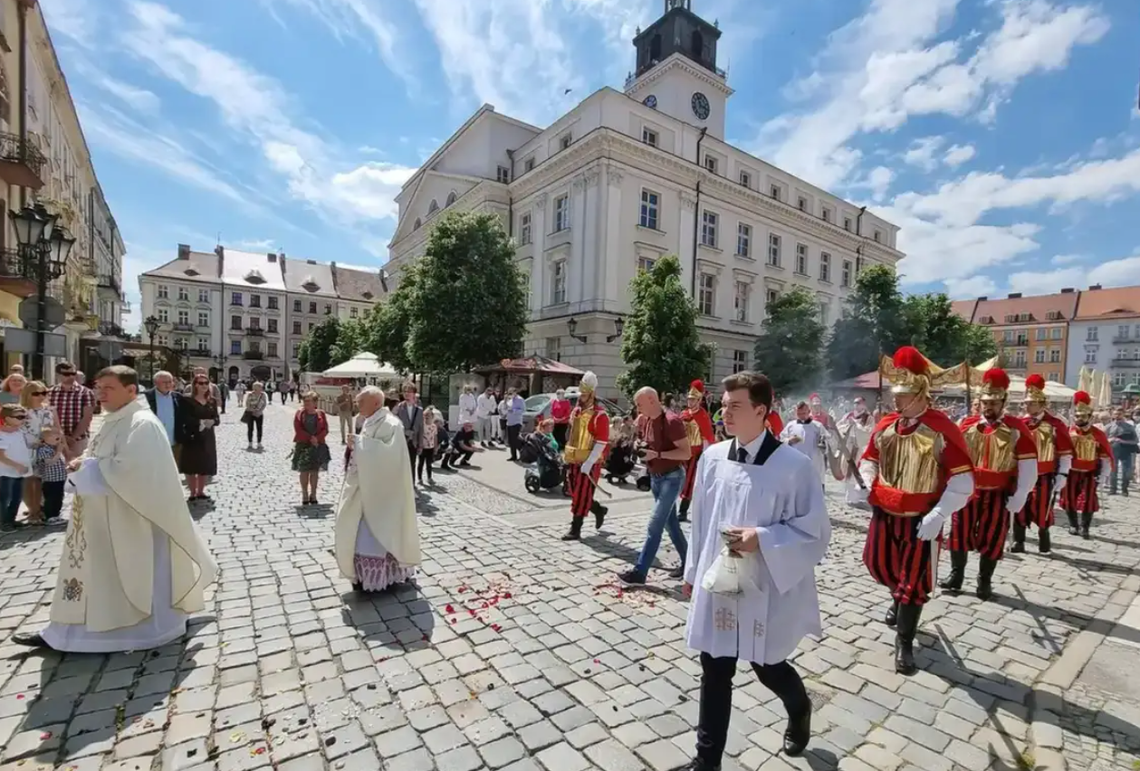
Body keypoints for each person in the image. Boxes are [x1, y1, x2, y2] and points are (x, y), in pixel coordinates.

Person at [681, 371, 830, 770]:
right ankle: (706, 761)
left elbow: (814, 531)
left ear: (761, 410)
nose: (724, 413)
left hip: (766, 584)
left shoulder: (794, 466)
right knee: (714, 668)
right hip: (720, 580)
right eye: (724, 405)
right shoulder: (713, 458)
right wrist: (692, 572)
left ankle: (799, 709)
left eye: (735, 406)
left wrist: (762, 537)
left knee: (767, 666)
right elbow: (699, 520)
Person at [11, 365, 217, 652]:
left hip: (133, 520)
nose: (100, 394)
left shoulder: (142, 423)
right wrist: (85, 464)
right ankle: (64, 631)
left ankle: (125, 632)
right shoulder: (118, 418)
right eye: (98, 387)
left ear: (131, 390)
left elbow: (133, 471)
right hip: (105, 516)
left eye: (108, 388)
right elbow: (104, 457)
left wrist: (87, 467)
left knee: (126, 574)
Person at [859, 346, 975, 675]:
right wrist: (867, 483)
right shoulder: (885, 424)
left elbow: (962, 479)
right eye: (895, 395)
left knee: (914, 582)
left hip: (920, 520)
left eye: (903, 395)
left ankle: (904, 643)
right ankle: (896, 596)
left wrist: (939, 514)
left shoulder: (941, 428)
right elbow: (870, 460)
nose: (896, 401)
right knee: (880, 565)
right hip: (884, 514)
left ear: (921, 394)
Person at [942, 368, 1037, 601]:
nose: (989, 407)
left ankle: (984, 581)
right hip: (967, 491)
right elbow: (951, 456)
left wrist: (1022, 493)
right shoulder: (966, 423)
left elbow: (1028, 463)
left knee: (993, 537)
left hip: (997, 493)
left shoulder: (1016, 429)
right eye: (985, 402)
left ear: (1003, 402)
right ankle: (956, 575)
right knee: (958, 532)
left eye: (994, 403)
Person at [335, 386, 419, 592]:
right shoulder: (370, 420)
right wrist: (356, 444)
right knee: (360, 533)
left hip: (384, 495)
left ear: (375, 403)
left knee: (375, 536)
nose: (357, 404)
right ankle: (363, 576)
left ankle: (382, 576)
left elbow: (390, 456)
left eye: (361, 401)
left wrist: (361, 444)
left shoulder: (391, 424)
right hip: (366, 489)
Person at [619, 387, 690, 585]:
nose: (637, 408)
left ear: (652, 399)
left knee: (655, 524)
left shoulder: (672, 421)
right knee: (671, 524)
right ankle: (689, 563)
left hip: (672, 477)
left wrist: (657, 455)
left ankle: (639, 573)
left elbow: (686, 453)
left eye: (639, 403)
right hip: (656, 477)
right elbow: (647, 443)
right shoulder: (647, 420)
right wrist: (639, 446)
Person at [1013, 375, 1073, 554]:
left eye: (1031, 403)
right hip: (1022, 474)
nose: (1027, 406)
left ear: (1041, 404)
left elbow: (1065, 452)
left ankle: (1043, 537)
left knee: (1042, 508)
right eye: (1026, 403)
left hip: (1044, 475)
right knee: (1020, 506)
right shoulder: (1020, 424)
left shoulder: (1055, 424)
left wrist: (1063, 474)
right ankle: (1019, 540)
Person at [561, 372, 609, 540]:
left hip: (590, 461)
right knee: (574, 492)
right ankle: (598, 509)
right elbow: (572, 433)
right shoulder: (577, 411)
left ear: (592, 394)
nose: (581, 397)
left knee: (582, 494)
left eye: (585, 394)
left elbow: (602, 442)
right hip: (574, 458)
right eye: (580, 394)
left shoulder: (600, 415)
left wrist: (589, 462)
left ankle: (576, 529)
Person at [1061, 391, 1113, 539]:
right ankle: (1073, 524)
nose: (1079, 419)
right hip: (1071, 472)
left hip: (1090, 472)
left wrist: (1103, 475)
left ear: (1090, 417)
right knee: (1069, 498)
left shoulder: (1097, 434)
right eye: (1077, 416)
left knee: (1088, 499)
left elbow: (1105, 456)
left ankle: (1085, 527)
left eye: (1083, 416)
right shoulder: (1068, 432)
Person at [179, 374, 220, 503]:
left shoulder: (211, 400)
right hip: (192, 436)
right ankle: (192, 492)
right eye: (201, 383)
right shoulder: (187, 400)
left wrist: (213, 421)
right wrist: (200, 422)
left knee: (204, 464)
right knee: (192, 464)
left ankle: (201, 491)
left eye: (206, 383)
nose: (204, 386)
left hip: (207, 436)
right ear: (195, 384)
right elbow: (184, 418)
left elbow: (217, 418)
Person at [678, 380, 715, 523]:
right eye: (689, 399)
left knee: (690, 483)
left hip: (696, 455)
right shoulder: (683, 413)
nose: (690, 401)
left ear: (699, 400)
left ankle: (683, 511)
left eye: (693, 399)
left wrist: (704, 455)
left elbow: (707, 436)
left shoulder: (702, 415)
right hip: (682, 452)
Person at [20, 380, 56, 524]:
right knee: (28, 481)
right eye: (36, 393)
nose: (41, 396)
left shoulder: (48, 410)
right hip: (25, 449)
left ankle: (39, 508)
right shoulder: (20, 411)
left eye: (44, 393)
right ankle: (32, 510)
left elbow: (55, 428)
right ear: (28, 395)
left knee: (42, 481)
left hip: (45, 448)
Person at [49, 362, 95, 461]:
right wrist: (61, 438)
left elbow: (87, 417)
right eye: (66, 374)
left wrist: (72, 438)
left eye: (73, 373)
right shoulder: (50, 393)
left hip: (78, 440)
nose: (70, 376)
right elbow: (48, 417)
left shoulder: (86, 393)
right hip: (54, 440)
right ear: (58, 375)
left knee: (76, 471)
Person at [293, 391, 331, 505]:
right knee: (304, 471)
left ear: (315, 402)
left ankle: (313, 494)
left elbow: (325, 429)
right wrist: (310, 438)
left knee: (315, 471)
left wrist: (317, 438)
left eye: (309, 401)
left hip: (317, 445)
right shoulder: (300, 413)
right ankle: (305, 493)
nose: (306, 403)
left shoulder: (321, 414)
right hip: (303, 444)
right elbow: (298, 428)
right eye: (305, 401)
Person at [836, 397, 875, 507]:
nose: (857, 405)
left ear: (864, 404)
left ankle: (858, 497)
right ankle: (849, 497)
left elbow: (869, 432)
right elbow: (839, 427)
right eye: (855, 403)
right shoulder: (848, 415)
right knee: (847, 471)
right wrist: (847, 426)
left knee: (858, 472)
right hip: (849, 447)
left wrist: (856, 426)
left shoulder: (869, 418)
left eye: (859, 403)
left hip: (860, 449)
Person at [0, 404, 31, 532]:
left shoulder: (19, 432)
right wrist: (16, 465)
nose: (22, 419)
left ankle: (11, 519)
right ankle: (3, 522)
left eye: (24, 417)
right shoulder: (2, 434)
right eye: (19, 417)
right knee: (4, 498)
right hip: (5, 472)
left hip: (19, 472)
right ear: (6, 418)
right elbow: (1, 456)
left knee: (17, 497)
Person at [144, 371, 187, 462]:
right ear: (155, 383)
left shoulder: (178, 397)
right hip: (152, 442)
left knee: (172, 472)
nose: (168, 385)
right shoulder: (145, 397)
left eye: (170, 382)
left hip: (173, 442)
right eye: (164, 382)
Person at [779, 401, 828, 482]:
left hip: (814, 465)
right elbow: (780, 441)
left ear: (809, 412)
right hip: (795, 467)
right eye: (799, 413)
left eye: (804, 413)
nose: (801, 416)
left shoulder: (818, 426)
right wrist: (789, 441)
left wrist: (824, 445)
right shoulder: (790, 426)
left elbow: (829, 442)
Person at [33, 426, 68, 524]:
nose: (59, 440)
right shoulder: (44, 450)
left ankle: (56, 515)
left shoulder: (54, 448)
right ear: (46, 438)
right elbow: (50, 462)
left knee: (59, 497)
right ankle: (49, 515)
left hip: (59, 478)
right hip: (50, 479)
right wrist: (59, 452)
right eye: (56, 437)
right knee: (51, 498)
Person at [1106, 405, 1138, 496]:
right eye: (1115, 414)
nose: (1117, 416)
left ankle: (1124, 489)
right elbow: (1103, 440)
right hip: (1113, 451)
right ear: (1112, 415)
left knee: (1126, 471)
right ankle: (1113, 489)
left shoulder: (1129, 427)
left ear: (1123, 415)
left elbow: (1135, 441)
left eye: (1119, 414)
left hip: (1126, 451)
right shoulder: (1108, 427)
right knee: (1113, 471)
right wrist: (1110, 440)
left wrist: (1123, 441)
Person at [394, 383, 423, 476]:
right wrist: (404, 431)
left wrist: (420, 445)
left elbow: (421, 428)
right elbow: (393, 425)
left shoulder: (419, 410)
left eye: (409, 391)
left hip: (413, 442)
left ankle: (412, 485)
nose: (406, 394)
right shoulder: (398, 408)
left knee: (412, 464)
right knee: (400, 465)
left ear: (414, 394)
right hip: (401, 440)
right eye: (405, 391)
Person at [418, 407, 441, 485]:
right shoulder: (422, 425)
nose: (427, 416)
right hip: (422, 447)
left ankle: (429, 477)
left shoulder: (434, 426)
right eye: (425, 415)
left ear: (432, 416)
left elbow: (435, 436)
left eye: (429, 415)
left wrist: (435, 447)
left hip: (430, 447)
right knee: (420, 463)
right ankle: (420, 478)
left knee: (429, 463)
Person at [243, 382, 268, 449]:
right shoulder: (250, 394)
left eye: (261, 387)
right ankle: (250, 443)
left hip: (259, 414)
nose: (261, 388)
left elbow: (264, 404)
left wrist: (260, 411)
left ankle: (259, 442)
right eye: (260, 387)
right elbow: (247, 404)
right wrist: (252, 410)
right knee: (250, 428)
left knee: (259, 428)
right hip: (251, 413)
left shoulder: (263, 395)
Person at [503, 387, 525, 461]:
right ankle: (513, 456)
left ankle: (523, 455)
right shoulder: (510, 400)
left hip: (516, 422)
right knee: (511, 441)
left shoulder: (520, 399)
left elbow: (523, 410)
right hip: (509, 422)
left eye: (511, 393)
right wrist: (505, 401)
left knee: (516, 440)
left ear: (515, 392)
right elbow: (505, 409)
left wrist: (514, 411)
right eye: (509, 393)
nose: (510, 395)